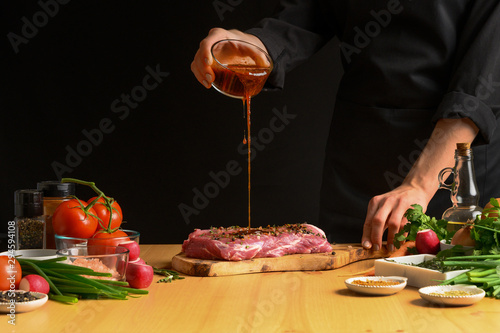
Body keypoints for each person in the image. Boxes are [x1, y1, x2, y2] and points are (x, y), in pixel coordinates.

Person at [191, 0, 500, 251]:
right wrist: (260, 45)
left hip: (454, 173)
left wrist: (419, 185)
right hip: (358, 158)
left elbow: (479, 86)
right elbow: (313, 9)